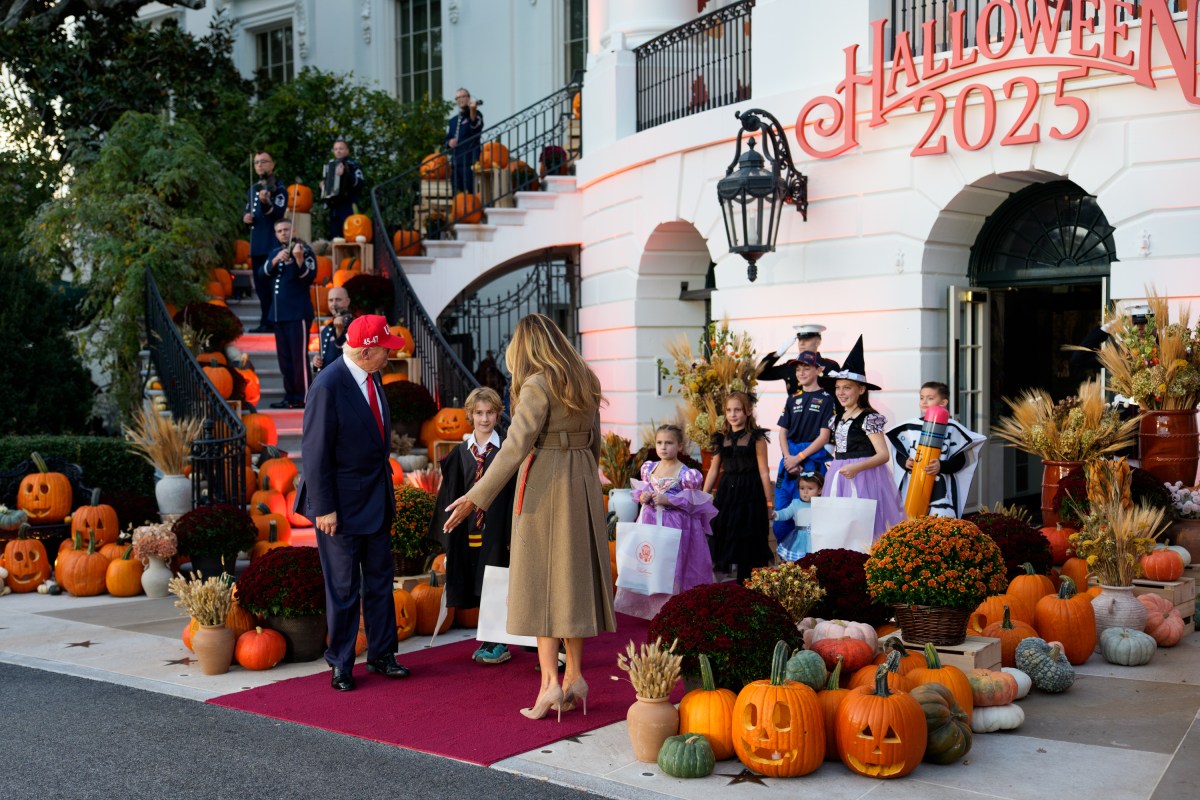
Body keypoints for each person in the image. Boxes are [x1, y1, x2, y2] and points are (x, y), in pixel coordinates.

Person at [442, 314, 613, 721]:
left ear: (527, 347)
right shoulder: (585, 380)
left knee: (540, 585)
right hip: (582, 486)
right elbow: (595, 443)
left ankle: (549, 686)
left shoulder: (537, 383)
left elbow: (514, 448)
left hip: (544, 489)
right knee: (573, 584)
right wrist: (589, 488)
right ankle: (574, 678)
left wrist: (475, 497)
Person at [296, 315, 412, 692]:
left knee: (379, 582)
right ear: (366, 351)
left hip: (376, 499)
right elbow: (314, 453)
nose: (389, 355)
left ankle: (382, 654)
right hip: (340, 507)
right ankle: (341, 664)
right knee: (344, 588)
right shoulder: (328, 385)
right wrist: (323, 507)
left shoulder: (373, 377)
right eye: (385, 350)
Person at [429, 387, 516, 665]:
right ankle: (489, 639)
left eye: (490, 413)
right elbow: (449, 494)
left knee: (496, 582)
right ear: (470, 415)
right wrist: (444, 539)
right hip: (468, 532)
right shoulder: (459, 455)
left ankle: (498, 642)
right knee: (476, 582)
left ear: (498, 414)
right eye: (479, 413)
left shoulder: (506, 453)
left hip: (497, 531)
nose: (484, 419)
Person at [613, 424, 717, 620]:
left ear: (680, 445)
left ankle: (672, 607)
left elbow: (692, 501)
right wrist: (643, 496)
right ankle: (652, 607)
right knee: (653, 562)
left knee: (672, 564)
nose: (663, 447)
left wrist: (668, 500)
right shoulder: (650, 468)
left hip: (676, 525)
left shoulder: (687, 475)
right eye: (660, 443)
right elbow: (641, 490)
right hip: (651, 522)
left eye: (669, 443)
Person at [822, 336, 906, 539]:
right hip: (840, 474)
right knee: (840, 526)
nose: (841, 392)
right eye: (838, 387)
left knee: (865, 526)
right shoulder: (837, 418)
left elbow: (883, 455)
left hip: (864, 477)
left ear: (861, 390)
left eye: (847, 387)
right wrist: (834, 462)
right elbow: (841, 447)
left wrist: (856, 467)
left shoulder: (868, 418)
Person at [886, 381, 987, 519]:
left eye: (930, 398)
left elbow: (960, 460)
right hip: (914, 486)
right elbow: (899, 452)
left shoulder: (952, 428)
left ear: (943, 402)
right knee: (911, 522)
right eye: (921, 398)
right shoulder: (910, 427)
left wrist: (942, 466)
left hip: (941, 488)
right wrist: (905, 461)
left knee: (940, 523)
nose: (924, 402)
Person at [703, 391, 773, 583]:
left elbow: (764, 471)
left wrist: (769, 502)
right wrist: (702, 497)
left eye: (738, 410)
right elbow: (713, 470)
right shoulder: (720, 438)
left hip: (751, 492)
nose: (733, 414)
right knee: (724, 533)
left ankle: (748, 583)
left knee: (748, 535)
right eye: (728, 410)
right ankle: (723, 584)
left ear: (748, 411)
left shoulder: (756, 438)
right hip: (727, 493)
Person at [773, 350, 836, 555]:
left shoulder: (827, 399)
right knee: (784, 511)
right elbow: (782, 432)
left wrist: (799, 458)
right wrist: (788, 459)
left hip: (811, 462)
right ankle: (786, 560)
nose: (801, 372)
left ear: (819, 369)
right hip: (789, 460)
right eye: (798, 369)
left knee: (811, 515)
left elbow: (824, 437)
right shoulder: (793, 398)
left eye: (806, 368)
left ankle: (811, 562)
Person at [264, 219, 316, 409]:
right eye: (279, 231)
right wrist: (277, 259)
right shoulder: (274, 252)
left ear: (292, 230)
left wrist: (299, 259)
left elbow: (310, 276)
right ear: (276, 234)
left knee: (298, 358)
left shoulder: (305, 250)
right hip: (278, 314)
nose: (283, 233)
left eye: (286, 229)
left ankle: (304, 396)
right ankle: (290, 396)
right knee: (284, 359)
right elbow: (263, 274)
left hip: (297, 313)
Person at [243, 150, 288, 333]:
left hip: (272, 244)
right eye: (256, 162)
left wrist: (265, 203)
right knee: (261, 287)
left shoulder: (278, 188)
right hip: (257, 245)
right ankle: (265, 321)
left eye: (263, 161)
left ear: (272, 164)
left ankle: (273, 321)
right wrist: (245, 217)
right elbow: (249, 211)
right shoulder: (253, 189)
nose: (260, 165)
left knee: (271, 286)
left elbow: (277, 213)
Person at [756, 324, 842, 395]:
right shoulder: (790, 365)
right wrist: (778, 353)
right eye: (800, 339)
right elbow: (759, 374)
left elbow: (839, 394)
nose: (802, 343)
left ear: (818, 342)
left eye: (807, 339)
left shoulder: (829, 365)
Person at [773, 471, 823, 562]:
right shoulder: (796, 504)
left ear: (820, 490)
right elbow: (785, 513)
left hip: (817, 538)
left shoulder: (821, 505)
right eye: (802, 488)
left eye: (810, 488)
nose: (805, 492)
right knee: (800, 562)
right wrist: (775, 514)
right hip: (800, 541)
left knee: (817, 561)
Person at [321, 138, 365, 240]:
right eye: (336, 149)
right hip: (334, 206)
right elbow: (328, 184)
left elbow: (360, 183)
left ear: (347, 150)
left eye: (341, 148)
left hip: (348, 204)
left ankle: (350, 256)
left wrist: (346, 174)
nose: (338, 151)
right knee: (335, 237)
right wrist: (323, 186)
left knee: (349, 235)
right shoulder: (331, 164)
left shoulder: (353, 165)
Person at [445, 87, 483, 193]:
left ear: (468, 98)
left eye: (463, 96)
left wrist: (472, 110)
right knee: (457, 194)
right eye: (457, 98)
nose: (460, 99)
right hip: (456, 163)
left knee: (472, 193)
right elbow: (446, 139)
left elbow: (475, 126)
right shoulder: (452, 121)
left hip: (470, 161)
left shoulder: (476, 114)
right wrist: (449, 143)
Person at [311, 286, 353, 374]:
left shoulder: (354, 326)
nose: (334, 304)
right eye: (330, 300)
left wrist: (339, 331)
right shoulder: (326, 329)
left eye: (338, 300)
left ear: (347, 301)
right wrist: (316, 362)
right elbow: (324, 357)